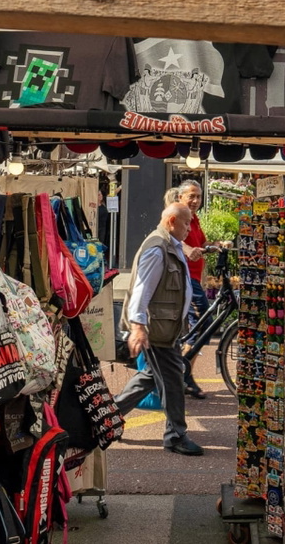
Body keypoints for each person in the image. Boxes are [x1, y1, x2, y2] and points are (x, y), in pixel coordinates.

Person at [114, 203, 202, 456]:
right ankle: (176, 435)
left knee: (150, 377)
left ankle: (107, 418)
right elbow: (142, 291)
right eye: (186, 223)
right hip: (157, 330)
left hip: (165, 328)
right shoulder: (157, 248)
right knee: (173, 379)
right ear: (172, 221)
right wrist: (138, 327)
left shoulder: (170, 245)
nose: (189, 228)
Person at [166, 180, 209, 399]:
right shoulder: (174, 214)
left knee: (201, 326)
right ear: (180, 197)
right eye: (191, 196)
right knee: (203, 323)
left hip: (195, 279)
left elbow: (202, 242)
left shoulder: (195, 219)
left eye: (198, 197)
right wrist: (188, 249)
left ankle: (184, 371)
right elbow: (171, 236)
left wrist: (217, 245)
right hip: (184, 278)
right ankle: (182, 372)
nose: (195, 201)